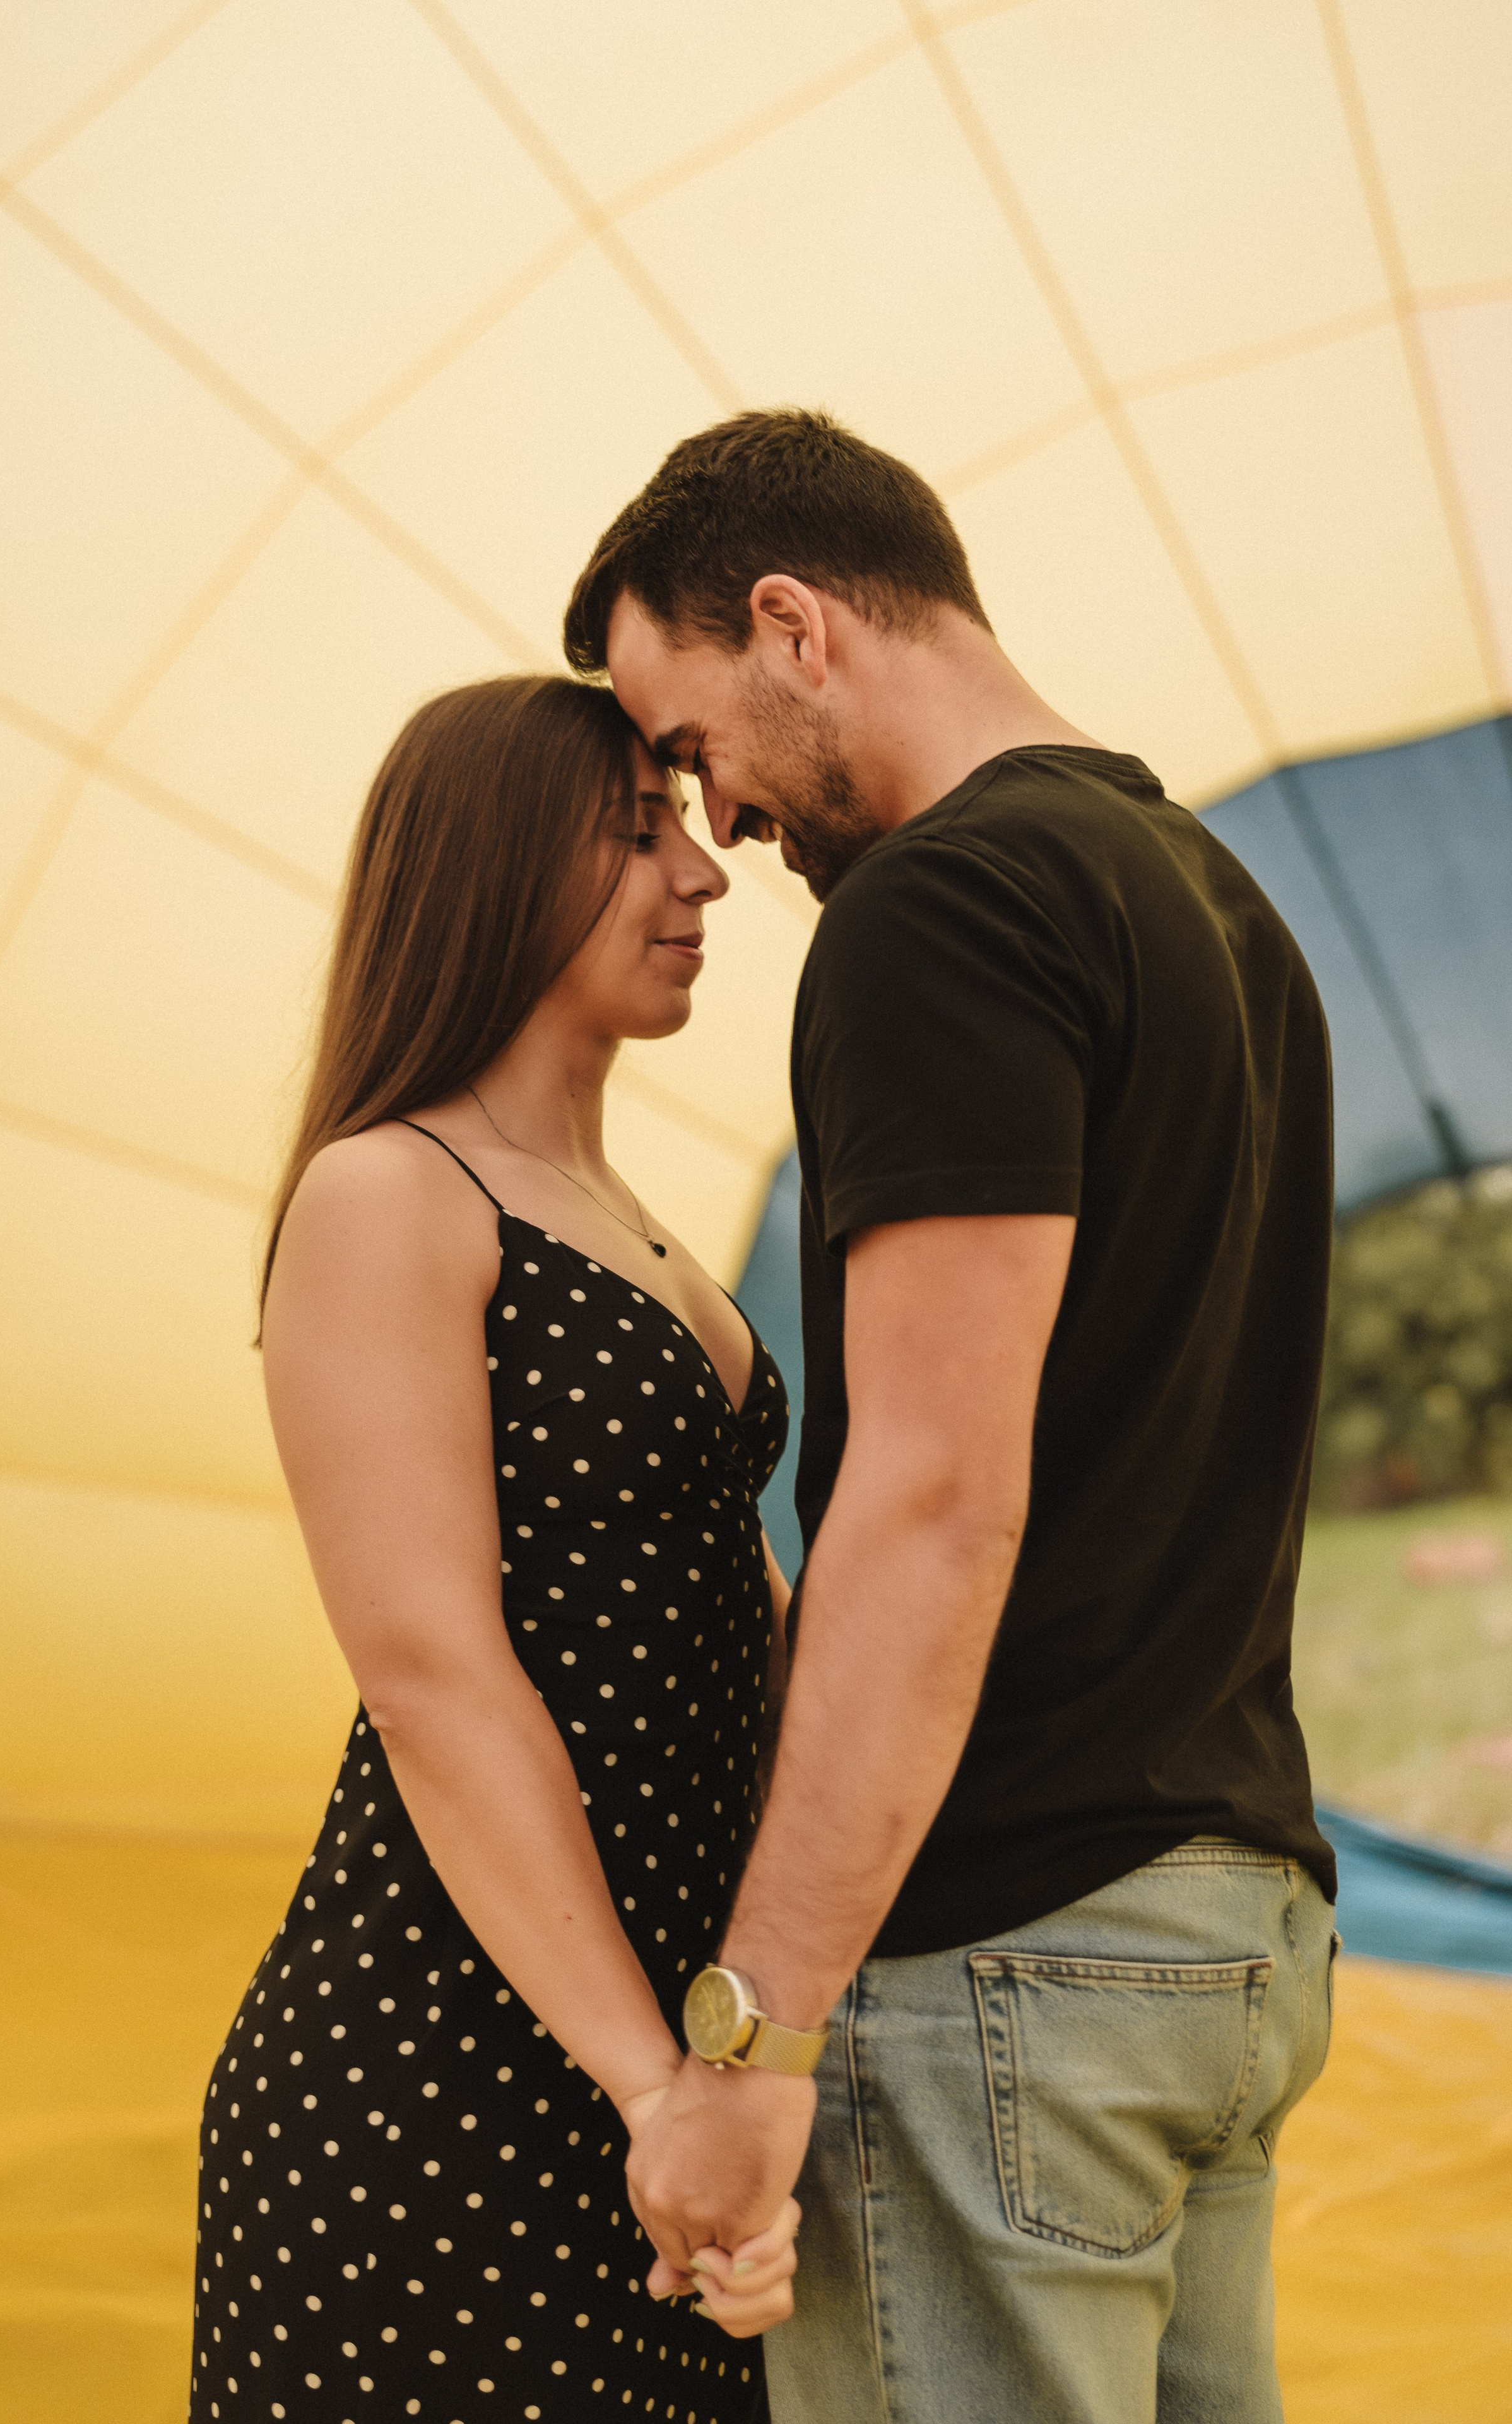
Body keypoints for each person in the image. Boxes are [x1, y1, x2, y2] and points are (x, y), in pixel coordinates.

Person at [564, 409, 1339, 2424]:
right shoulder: (1223, 907)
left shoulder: (944, 913)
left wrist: (749, 2040)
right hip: (1233, 1935)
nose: (713, 823)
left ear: (795, 625)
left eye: (690, 742)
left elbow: (926, 1504)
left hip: (1009, 1961)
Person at [189, 674, 803, 2424]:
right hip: (453, 2092)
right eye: (635, 838)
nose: (700, 875)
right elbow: (434, 1679)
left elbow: (732, 1613)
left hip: (667, 2078)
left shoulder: (627, 1216)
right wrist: (658, 2093)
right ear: (490, 876)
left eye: (686, 826)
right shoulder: (390, 1194)